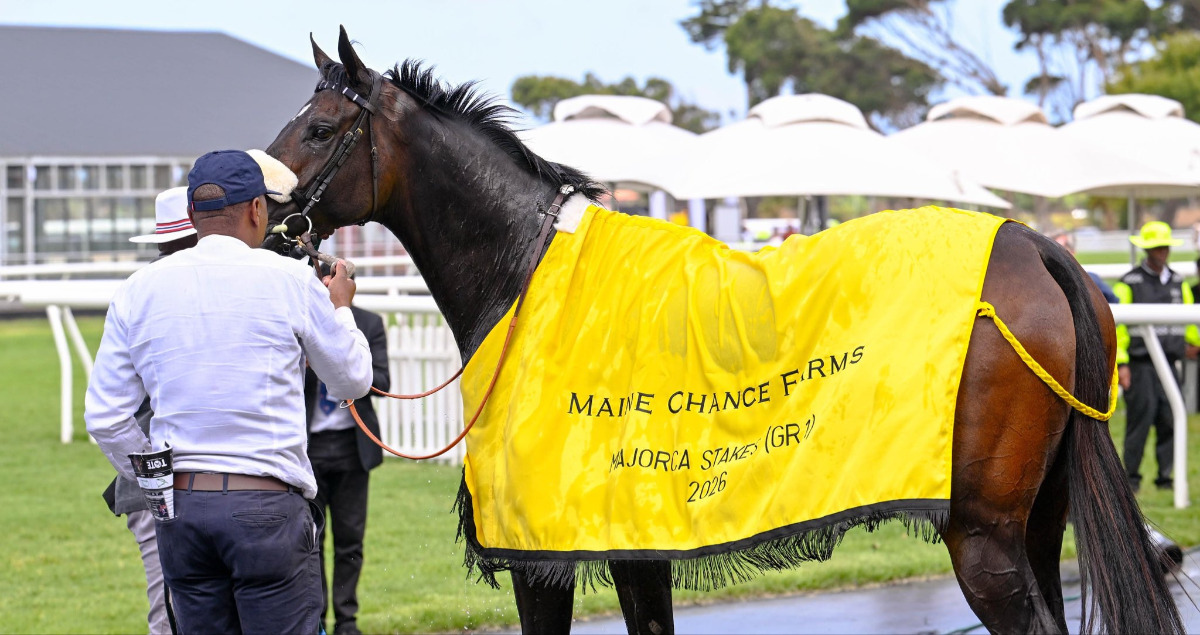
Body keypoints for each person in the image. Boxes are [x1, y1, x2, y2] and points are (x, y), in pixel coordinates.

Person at [85, 149, 373, 633]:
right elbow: (352, 379)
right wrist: (341, 308)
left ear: (192, 214)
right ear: (257, 209)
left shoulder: (138, 288)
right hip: (267, 506)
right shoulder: (290, 278)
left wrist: (161, 487)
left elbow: (106, 419)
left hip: (182, 511)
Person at [99, 186, 196, 634]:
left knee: (172, 612)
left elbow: (106, 415)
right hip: (179, 481)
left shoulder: (136, 291)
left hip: (162, 479)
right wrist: (157, 481)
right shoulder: (161, 293)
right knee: (174, 614)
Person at [305, 304, 389, 635]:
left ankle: (346, 621)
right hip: (309, 450)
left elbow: (383, 381)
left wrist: (346, 365)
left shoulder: (369, 322)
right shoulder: (304, 321)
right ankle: (316, 621)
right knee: (311, 541)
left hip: (352, 450)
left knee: (350, 541)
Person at [1113, 221, 1200, 492]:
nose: (1162, 252)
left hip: (1171, 364)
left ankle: (1166, 479)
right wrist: (1121, 363)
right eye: (1157, 247)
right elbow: (1117, 327)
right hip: (1141, 366)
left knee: (1169, 420)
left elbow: (1189, 319)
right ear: (1147, 250)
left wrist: (1194, 344)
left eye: (1165, 247)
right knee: (1139, 423)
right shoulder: (1129, 282)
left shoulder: (1178, 282)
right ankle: (1131, 479)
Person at [1052, 231, 1118, 303]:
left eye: (1059, 249)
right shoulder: (1045, 283)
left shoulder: (1091, 280)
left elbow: (1115, 303)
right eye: (1051, 250)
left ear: (1072, 253)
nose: (1054, 255)